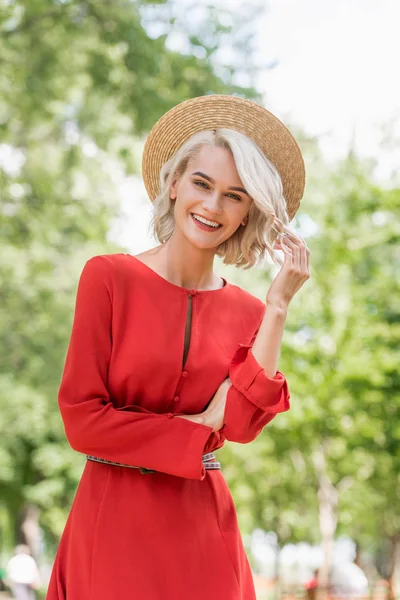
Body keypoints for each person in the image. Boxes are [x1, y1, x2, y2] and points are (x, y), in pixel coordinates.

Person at [46, 94, 310, 599]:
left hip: (203, 529)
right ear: (173, 185)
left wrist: (278, 304)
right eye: (201, 184)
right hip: (113, 520)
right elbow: (81, 420)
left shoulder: (251, 314)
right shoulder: (108, 277)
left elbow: (241, 424)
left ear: (246, 212)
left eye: (234, 196)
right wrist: (196, 425)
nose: (212, 206)